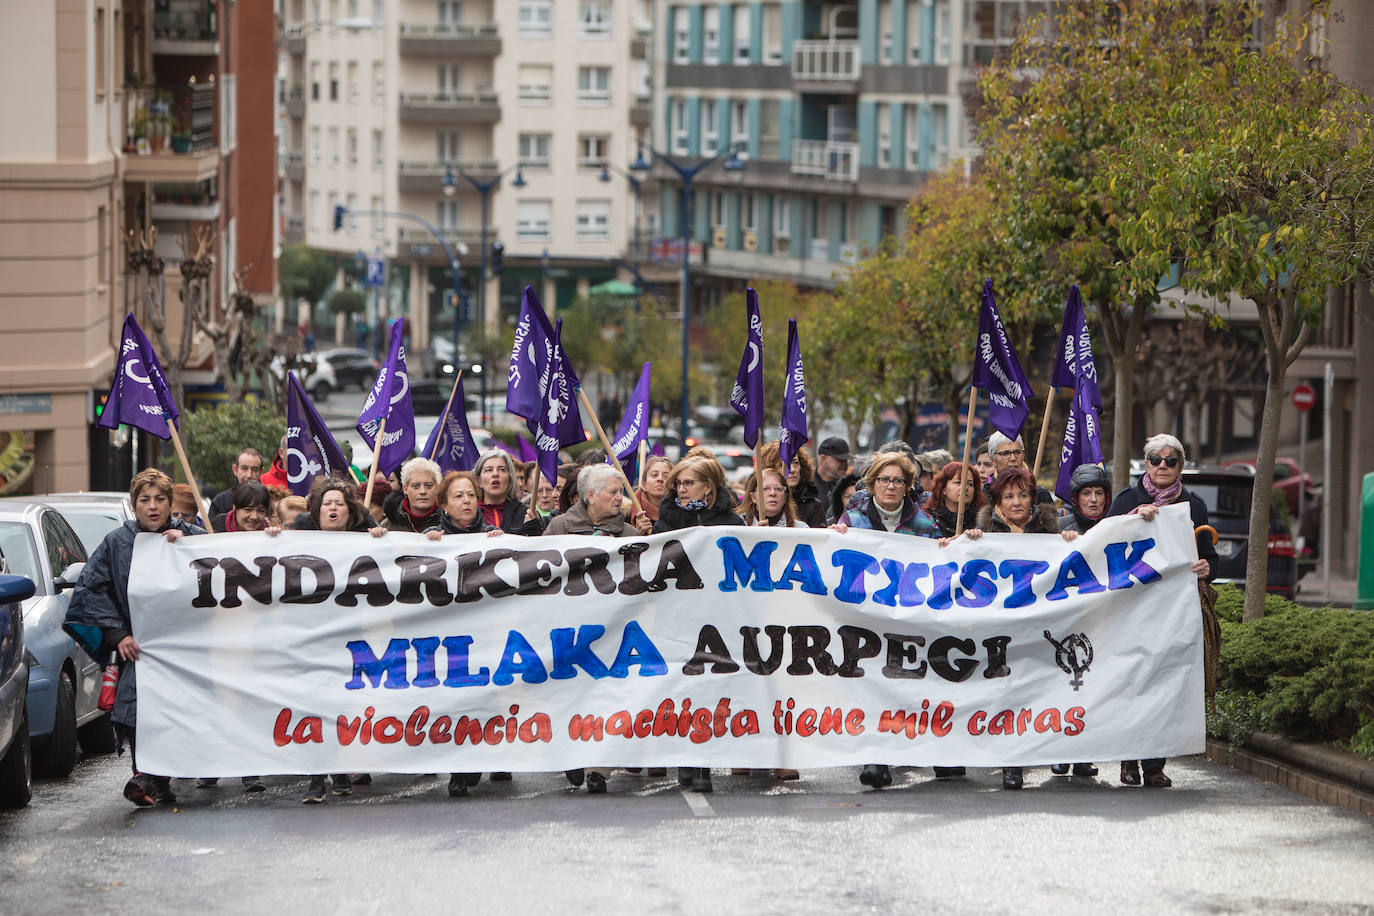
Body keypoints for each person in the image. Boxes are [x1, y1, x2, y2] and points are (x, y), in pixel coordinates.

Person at [64, 469, 205, 807]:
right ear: (134, 505)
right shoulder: (117, 543)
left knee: (180, 709)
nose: (152, 507)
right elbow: (93, 588)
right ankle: (144, 776)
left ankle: (157, 779)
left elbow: (229, 570)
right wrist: (118, 633)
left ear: (171, 504)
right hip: (140, 648)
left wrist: (188, 548)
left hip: (187, 647)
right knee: (139, 712)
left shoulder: (195, 538)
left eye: (159, 499)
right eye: (145, 500)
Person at [1106, 433, 1217, 789]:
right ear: (1146, 464)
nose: (1163, 467)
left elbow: (1208, 556)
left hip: (1172, 614)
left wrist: (1206, 568)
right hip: (1131, 611)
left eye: (1171, 461)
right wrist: (1131, 520)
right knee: (1132, 684)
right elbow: (1102, 544)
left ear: (1181, 466)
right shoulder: (1126, 500)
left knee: (1164, 685)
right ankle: (1128, 761)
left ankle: (1155, 765)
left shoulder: (1194, 506)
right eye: (1156, 460)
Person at [829, 452, 946, 788]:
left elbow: (939, 566)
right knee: (872, 687)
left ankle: (916, 750)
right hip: (866, 621)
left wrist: (949, 547)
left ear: (907, 486)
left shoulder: (923, 524)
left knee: (903, 686)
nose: (891, 486)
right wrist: (833, 535)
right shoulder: (852, 520)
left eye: (898, 480)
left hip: (908, 621)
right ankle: (876, 759)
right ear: (873, 483)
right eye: (884, 480)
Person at [963, 467, 1079, 790]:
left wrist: (1069, 543)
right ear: (997, 504)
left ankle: (1051, 748)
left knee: (1039, 692)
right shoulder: (982, 537)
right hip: (999, 633)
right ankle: (1010, 765)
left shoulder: (1051, 536)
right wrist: (965, 544)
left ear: (1033, 501)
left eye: (1023, 495)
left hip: (1040, 631)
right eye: (1008, 496)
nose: (1016, 502)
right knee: (1006, 695)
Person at [542, 465, 652, 795]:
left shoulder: (629, 534)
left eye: (621, 492)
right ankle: (571, 756)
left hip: (614, 630)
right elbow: (541, 575)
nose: (622, 498)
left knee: (608, 695)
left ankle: (599, 767)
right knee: (571, 694)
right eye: (614, 492)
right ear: (590, 496)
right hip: (570, 628)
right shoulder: (559, 528)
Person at [653, 454, 744, 793]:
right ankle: (687, 759)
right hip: (679, 615)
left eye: (688, 482)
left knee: (712, 688)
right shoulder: (667, 521)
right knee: (684, 687)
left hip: (720, 618)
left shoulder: (732, 521)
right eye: (678, 483)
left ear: (708, 487)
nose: (681, 488)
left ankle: (703, 760)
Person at [290, 478, 384, 803]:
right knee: (314, 705)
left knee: (343, 705)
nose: (333, 508)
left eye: (339, 503)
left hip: (350, 637)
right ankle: (315, 777)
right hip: (312, 636)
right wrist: (270, 539)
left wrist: (380, 540)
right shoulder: (296, 538)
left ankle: (341, 771)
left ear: (349, 511)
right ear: (317, 511)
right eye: (327, 503)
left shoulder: (365, 539)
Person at [1047, 463, 1113, 780]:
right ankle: (1061, 752)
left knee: (1091, 689)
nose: (1094, 499)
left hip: (1100, 622)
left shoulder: (1118, 527)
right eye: (1087, 493)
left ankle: (1084, 754)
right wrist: (1059, 541)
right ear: (1076, 498)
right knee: (1063, 687)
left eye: (1099, 493)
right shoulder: (1060, 527)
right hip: (1066, 621)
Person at [472, 450, 546, 535]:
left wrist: (534, 530)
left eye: (501, 470)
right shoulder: (469, 513)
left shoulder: (526, 513)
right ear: (479, 481)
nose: (495, 474)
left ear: (510, 478)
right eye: (488, 470)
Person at [756, 441, 827, 528]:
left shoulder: (813, 506)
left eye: (796, 463)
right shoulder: (756, 505)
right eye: (783, 464)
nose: (792, 469)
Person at [985, 432, 1054, 505]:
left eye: (1017, 452)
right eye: (1005, 453)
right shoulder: (983, 496)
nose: (1013, 458)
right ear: (992, 460)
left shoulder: (1039, 495)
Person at [923, 461, 985, 538]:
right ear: (943, 489)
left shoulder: (982, 520)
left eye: (970, 484)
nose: (965, 488)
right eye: (958, 482)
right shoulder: (927, 517)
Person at [381, 457, 444, 532]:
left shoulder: (449, 523)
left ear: (437, 488)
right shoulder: (387, 527)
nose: (422, 491)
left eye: (428, 485)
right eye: (416, 486)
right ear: (405, 489)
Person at [738, 467, 807, 528]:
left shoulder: (801, 530)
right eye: (765, 489)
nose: (773, 493)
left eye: (778, 489)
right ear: (753, 497)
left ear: (785, 497)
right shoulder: (737, 525)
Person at [209, 447, 264, 516]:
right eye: (244, 468)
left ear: (261, 472)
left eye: (254, 469)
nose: (249, 475)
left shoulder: (268, 500)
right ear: (235, 470)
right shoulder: (220, 502)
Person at [814, 437, 851, 508]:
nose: (844, 463)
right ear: (823, 459)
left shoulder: (848, 486)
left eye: (846, 460)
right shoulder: (807, 486)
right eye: (839, 459)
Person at [635, 455, 672, 526]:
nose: (660, 479)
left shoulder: (682, 514)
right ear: (644, 485)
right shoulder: (629, 514)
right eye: (654, 475)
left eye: (666, 476)